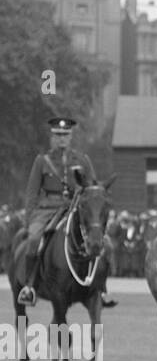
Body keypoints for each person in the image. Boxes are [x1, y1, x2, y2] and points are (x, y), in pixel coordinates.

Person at [12, 117, 96, 306]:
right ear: (53, 136)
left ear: (71, 136)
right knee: (34, 239)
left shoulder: (83, 160)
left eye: (65, 135)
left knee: (99, 240)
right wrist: (29, 221)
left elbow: (92, 190)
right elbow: (32, 193)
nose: (61, 139)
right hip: (47, 209)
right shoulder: (42, 161)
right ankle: (29, 286)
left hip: (74, 209)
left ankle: (98, 285)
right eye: (58, 135)